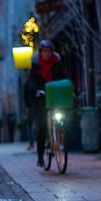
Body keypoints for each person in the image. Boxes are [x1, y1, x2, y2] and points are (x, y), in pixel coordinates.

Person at [26, 39, 66, 167]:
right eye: (44, 51)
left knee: (62, 116)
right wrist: (36, 90)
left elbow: (64, 76)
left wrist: (70, 88)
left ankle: (60, 139)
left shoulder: (57, 62)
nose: (47, 54)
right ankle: (40, 157)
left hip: (54, 95)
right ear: (41, 53)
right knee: (42, 126)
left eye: (49, 51)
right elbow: (31, 80)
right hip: (41, 96)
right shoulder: (36, 64)